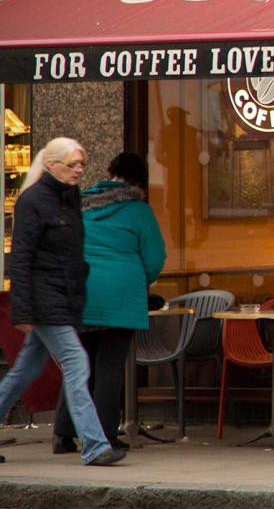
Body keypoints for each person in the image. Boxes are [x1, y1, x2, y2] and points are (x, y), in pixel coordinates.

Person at [0, 138, 125, 466]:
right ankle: (95, 445)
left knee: (25, 371)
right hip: (45, 301)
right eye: (72, 164)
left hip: (62, 298)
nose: (79, 170)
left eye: (82, 164)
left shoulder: (69, 197)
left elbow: (71, 251)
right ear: (51, 165)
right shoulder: (32, 201)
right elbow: (21, 257)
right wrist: (22, 309)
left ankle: (94, 444)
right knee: (76, 361)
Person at [53, 152, 166, 453]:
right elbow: (155, 258)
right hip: (120, 298)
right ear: (140, 180)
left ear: (109, 171)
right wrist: (139, 281)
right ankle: (104, 435)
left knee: (79, 366)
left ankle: (63, 433)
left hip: (82, 294)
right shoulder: (138, 210)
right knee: (110, 368)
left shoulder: (81, 205)